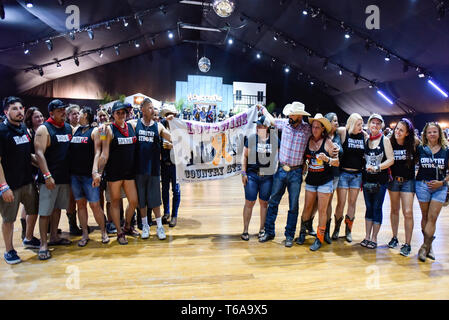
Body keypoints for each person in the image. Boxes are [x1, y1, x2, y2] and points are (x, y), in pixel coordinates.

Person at [258, 102, 311, 247]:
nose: (289, 116)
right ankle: (269, 232)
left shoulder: (307, 129)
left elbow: (323, 130)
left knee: (293, 206)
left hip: (296, 171)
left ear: (299, 116)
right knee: (273, 201)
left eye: (292, 114)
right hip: (281, 170)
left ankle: (289, 235)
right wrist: (262, 109)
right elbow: (272, 120)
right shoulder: (285, 124)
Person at [0, 97, 40, 264]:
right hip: (11, 185)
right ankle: (9, 250)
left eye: (20, 108)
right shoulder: (2, 131)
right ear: (6, 112)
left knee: (33, 210)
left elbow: (28, 155)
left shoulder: (23, 128)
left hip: (27, 181)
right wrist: (3, 186)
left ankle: (29, 238)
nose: (19, 111)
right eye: (14, 108)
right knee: (9, 219)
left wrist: (45, 168)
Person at [128, 98, 172, 239]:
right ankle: (145, 225)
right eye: (150, 108)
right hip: (139, 169)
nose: (153, 110)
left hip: (153, 169)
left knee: (155, 200)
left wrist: (172, 122)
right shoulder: (134, 124)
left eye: (153, 108)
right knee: (142, 201)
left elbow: (173, 138)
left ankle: (159, 227)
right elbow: (118, 126)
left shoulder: (158, 126)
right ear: (142, 109)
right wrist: (103, 127)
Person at [34, 99, 73, 260]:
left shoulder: (68, 127)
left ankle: (54, 237)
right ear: (51, 113)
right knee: (45, 212)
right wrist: (47, 175)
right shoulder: (44, 129)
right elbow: (39, 153)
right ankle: (43, 244)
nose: (63, 113)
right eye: (59, 111)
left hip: (64, 178)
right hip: (50, 179)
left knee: (57, 209)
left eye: (64, 110)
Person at [296, 114, 339, 251]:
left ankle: (319, 239)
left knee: (322, 210)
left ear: (322, 129)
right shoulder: (308, 140)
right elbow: (305, 159)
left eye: (317, 127)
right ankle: (302, 233)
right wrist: (303, 168)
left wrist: (327, 159)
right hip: (311, 180)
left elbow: (337, 162)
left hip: (325, 181)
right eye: (313, 127)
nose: (314, 129)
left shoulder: (328, 143)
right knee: (307, 208)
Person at [99, 102, 139, 245]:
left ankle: (127, 226)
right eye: (118, 113)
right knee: (115, 203)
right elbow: (104, 154)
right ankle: (119, 232)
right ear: (113, 114)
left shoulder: (132, 126)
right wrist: (97, 173)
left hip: (129, 172)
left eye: (123, 113)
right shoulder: (107, 130)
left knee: (134, 201)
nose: (121, 115)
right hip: (114, 173)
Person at [70, 107, 109, 247]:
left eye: (79, 113)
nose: (76, 115)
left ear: (85, 115)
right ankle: (85, 233)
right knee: (80, 205)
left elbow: (97, 153)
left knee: (94, 205)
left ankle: (103, 231)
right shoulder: (75, 130)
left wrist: (95, 172)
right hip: (75, 175)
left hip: (88, 175)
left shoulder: (95, 131)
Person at [240, 114, 278, 241]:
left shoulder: (274, 140)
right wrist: (243, 173)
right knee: (249, 202)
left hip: (267, 177)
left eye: (260, 125)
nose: (257, 127)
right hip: (252, 175)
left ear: (266, 127)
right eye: (257, 125)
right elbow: (244, 156)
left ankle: (262, 229)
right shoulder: (251, 139)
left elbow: (279, 157)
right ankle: (245, 230)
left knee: (264, 203)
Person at [415, 122, 449, 262]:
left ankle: (424, 248)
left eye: (435, 131)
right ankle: (429, 246)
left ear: (439, 133)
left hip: (440, 187)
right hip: (422, 185)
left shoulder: (446, 149)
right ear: (425, 134)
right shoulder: (421, 148)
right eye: (429, 132)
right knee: (425, 216)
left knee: (433, 217)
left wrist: (442, 182)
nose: (432, 134)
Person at [360, 114, 394, 249]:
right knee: (369, 208)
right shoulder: (367, 140)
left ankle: (374, 238)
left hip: (380, 181)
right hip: (368, 180)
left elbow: (391, 159)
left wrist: (377, 167)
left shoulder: (384, 140)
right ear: (369, 125)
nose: (375, 125)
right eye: (373, 123)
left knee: (377, 208)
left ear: (382, 126)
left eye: (378, 123)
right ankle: (367, 236)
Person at [332, 113, 367, 242]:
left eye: (361, 124)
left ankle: (348, 231)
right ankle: (336, 228)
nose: (361, 127)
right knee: (341, 203)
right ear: (352, 124)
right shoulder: (343, 132)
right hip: (343, 174)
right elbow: (331, 130)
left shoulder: (364, 135)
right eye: (358, 124)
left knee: (352, 203)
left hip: (357, 175)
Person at [387, 119, 419, 256]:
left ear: (407, 133)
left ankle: (407, 244)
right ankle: (394, 237)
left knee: (408, 212)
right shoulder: (390, 142)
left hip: (408, 181)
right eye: (397, 129)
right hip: (393, 181)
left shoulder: (414, 143)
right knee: (394, 209)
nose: (397, 132)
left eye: (401, 130)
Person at [20, 107, 44, 241]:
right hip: (31, 171)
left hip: (40, 168)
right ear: (30, 119)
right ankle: (25, 232)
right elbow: (28, 155)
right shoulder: (28, 132)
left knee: (36, 201)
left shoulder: (43, 130)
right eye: (36, 117)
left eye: (41, 116)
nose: (40, 119)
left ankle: (30, 232)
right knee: (29, 203)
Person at [160, 104, 181, 227]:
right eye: (167, 114)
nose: (170, 116)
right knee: (165, 190)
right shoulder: (161, 127)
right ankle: (166, 212)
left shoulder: (180, 128)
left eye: (171, 114)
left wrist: (172, 146)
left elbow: (185, 145)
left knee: (176, 190)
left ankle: (174, 215)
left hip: (176, 165)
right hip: (164, 164)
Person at [65, 104, 82, 236]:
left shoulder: (84, 128)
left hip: (82, 168)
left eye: (78, 113)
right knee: (71, 198)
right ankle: (72, 224)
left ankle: (83, 221)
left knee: (82, 199)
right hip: (69, 168)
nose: (76, 116)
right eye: (73, 113)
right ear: (68, 116)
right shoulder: (66, 129)